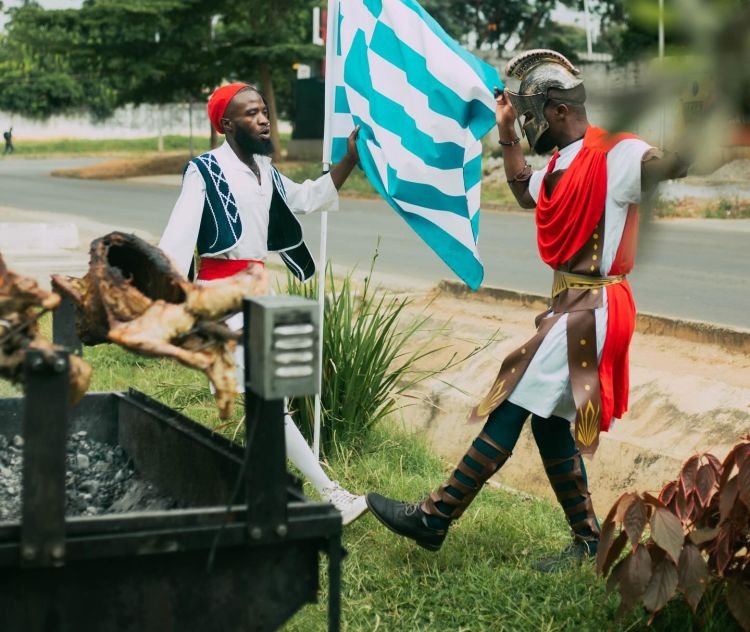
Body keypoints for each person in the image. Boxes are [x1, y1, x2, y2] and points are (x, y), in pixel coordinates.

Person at [366, 48, 689, 568]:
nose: (529, 123)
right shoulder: (562, 162)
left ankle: (436, 515)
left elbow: (663, 164)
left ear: (559, 110)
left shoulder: (618, 154)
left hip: (594, 306)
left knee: (513, 398)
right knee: (549, 422)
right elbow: (524, 191)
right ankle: (588, 541)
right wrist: (506, 131)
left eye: (532, 114)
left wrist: (694, 135)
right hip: (574, 304)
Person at [159, 81, 368, 525]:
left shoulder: (264, 170)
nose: (264, 119)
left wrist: (349, 159)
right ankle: (330, 494)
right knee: (269, 401)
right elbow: (176, 240)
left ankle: (251, 496)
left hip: (259, 297)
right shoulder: (204, 171)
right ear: (227, 125)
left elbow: (307, 198)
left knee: (267, 404)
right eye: (251, 113)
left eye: (265, 111)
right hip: (221, 300)